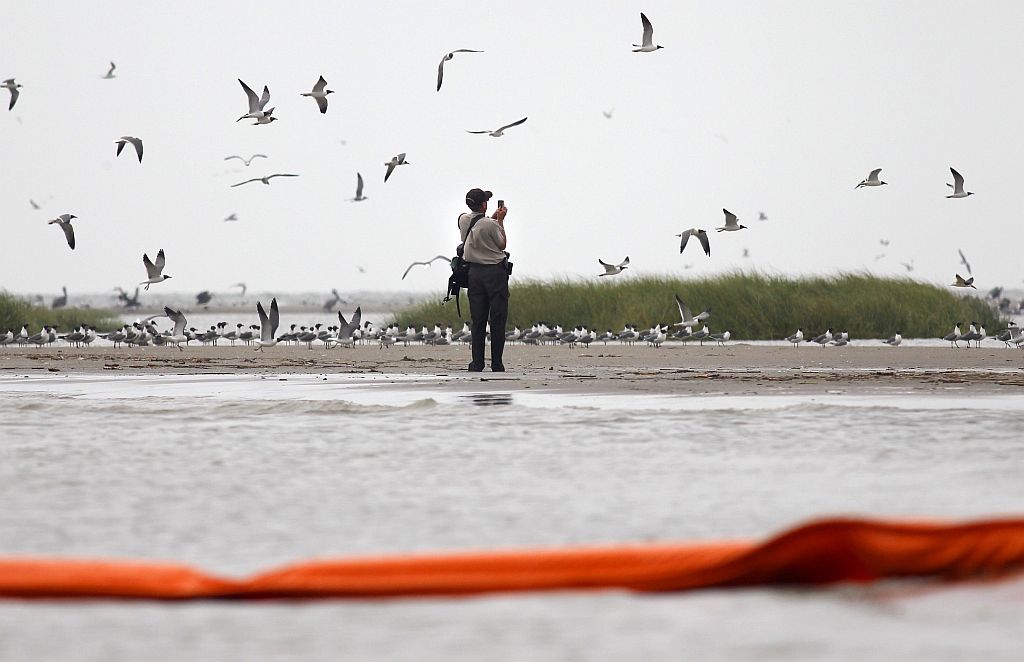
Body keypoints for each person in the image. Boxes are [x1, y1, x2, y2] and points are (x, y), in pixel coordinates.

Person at [459, 188, 509, 372]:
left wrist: (493, 218)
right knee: (497, 319)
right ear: (484, 204)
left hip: (474, 274)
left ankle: (477, 363)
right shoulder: (491, 224)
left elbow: (479, 227)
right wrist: (501, 220)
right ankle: (497, 363)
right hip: (495, 274)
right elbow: (502, 243)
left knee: (478, 320)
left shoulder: (463, 220)